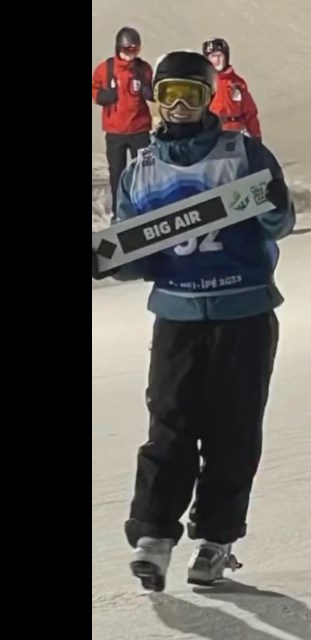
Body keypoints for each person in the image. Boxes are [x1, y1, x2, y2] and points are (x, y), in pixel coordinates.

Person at [91, 50, 295, 593]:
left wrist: (273, 203)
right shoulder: (140, 169)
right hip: (179, 314)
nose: (181, 106)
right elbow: (137, 255)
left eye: (194, 94)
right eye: (170, 95)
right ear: (154, 100)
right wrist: (110, 258)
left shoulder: (243, 153)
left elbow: (279, 222)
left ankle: (215, 538)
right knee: (170, 425)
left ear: (211, 99)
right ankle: (154, 537)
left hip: (243, 310)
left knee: (233, 430)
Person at [91, 26, 154, 214]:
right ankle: (119, 212)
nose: (131, 55)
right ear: (118, 48)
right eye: (128, 51)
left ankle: (144, 208)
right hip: (115, 131)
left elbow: (156, 91)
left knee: (143, 172)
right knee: (117, 173)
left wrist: (148, 92)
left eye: (135, 50)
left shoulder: (143, 69)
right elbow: (93, 88)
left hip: (139, 130)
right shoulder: (106, 69)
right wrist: (102, 96)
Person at [203, 37, 263, 138]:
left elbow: (250, 114)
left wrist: (256, 137)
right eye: (213, 56)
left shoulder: (237, 82)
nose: (217, 60)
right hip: (213, 133)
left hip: (237, 133)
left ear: (226, 57)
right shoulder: (204, 82)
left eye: (220, 56)